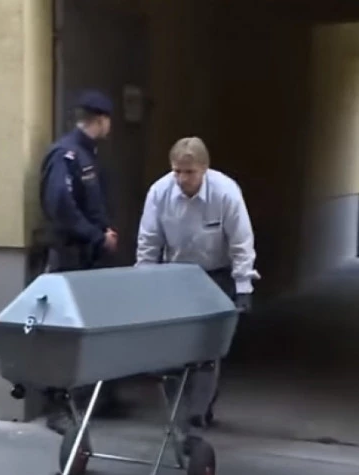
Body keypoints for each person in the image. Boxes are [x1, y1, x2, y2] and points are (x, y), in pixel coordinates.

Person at [135, 136, 260, 450]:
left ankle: (195, 415)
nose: (181, 179)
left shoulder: (226, 193)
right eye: (176, 171)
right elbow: (148, 242)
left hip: (215, 275)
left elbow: (241, 242)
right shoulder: (159, 193)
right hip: (174, 275)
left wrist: (243, 287)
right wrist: (143, 285)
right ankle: (178, 413)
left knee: (207, 351)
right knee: (174, 351)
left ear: (204, 169)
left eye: (189, 172)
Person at [38, 89, 125, 435]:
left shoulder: (88, 155)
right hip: (70, 260)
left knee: (94, 330)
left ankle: (99, 396)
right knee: (61, 334)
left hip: (89, 260)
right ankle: (57, 406)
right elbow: (61, 208)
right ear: (101, 120)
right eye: (108, 120)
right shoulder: (67, 155)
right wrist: (97, 236)